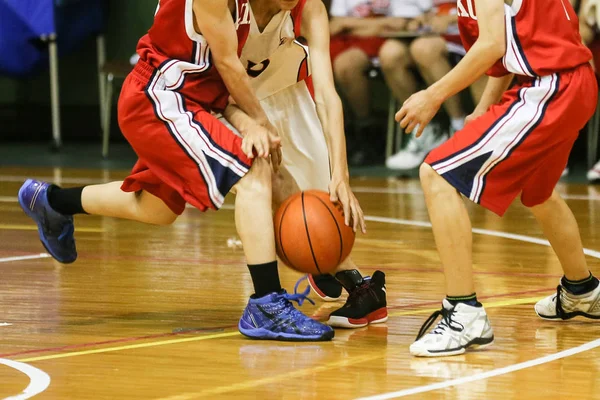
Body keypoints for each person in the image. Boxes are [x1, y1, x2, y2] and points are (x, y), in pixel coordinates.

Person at [17, 0, 334, 342]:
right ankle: (266, 304)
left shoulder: (258, 10)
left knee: (157, 207)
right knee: (255, 170)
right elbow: (227, 64)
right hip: (161, 97)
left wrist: (251, 122)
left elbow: (224, 84)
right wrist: (257, 122)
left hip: (197, 102)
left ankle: (53, 202)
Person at [396, 0, 600, 356]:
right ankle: (582, 291)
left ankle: (464, 311)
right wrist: (480, 110)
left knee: (436, 174)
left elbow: (492, 44)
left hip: (549, 87)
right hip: (571, 83)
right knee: (539, 193)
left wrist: (433, 95)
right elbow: (504, 45)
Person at [221, 0, 387, 329]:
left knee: (314, 207)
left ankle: (341, 278)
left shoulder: (309, 9)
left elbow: (327, 94)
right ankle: (347, 286)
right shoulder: (227, 6)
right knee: (276, 185)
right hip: (236, 107)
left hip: (290, 96)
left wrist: (342, 175)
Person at [385, 0, 487, 171]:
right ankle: (428, 131)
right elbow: (403, 12)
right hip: (433, 34)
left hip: (478, 29)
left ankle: (459, 129)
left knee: (425, 49)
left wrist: (453, 18)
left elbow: (501, 9)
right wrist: (415, 21)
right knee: (391, 53)